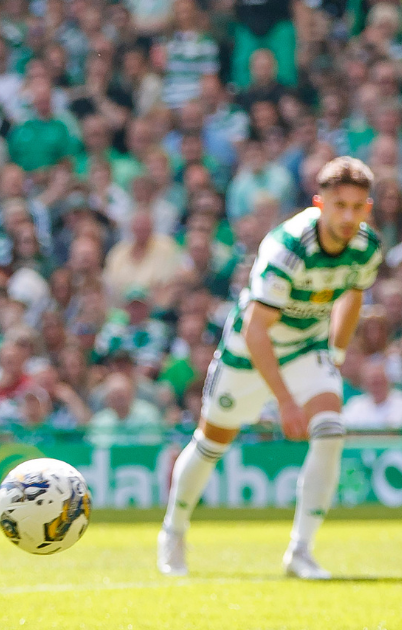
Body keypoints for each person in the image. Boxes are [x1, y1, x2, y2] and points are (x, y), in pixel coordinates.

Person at [159, 157, 382, 580]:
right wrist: (285, 402)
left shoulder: (367, 247)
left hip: (305, 347)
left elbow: (354, 295)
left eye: (358, 206)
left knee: (331, 430)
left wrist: (334, 354)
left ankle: (301, 551)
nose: (349, 216)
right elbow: (259, 331)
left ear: (367, 207)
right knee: (211, 443)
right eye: (340, 205)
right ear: (320, 203)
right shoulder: (288, 246)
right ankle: (174, 529)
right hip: (249, 351)